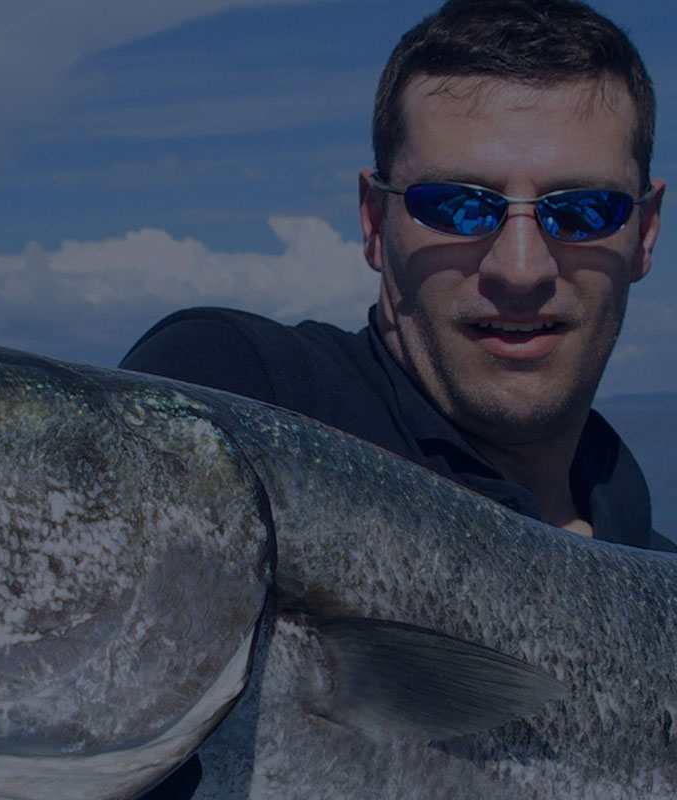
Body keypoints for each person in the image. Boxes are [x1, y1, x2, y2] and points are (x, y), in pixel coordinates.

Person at [123, 0, 671, 796]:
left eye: (584, 210)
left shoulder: (655, 573)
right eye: (458, 204)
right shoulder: (233, 400)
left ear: (645, 233)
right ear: (376, 221)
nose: (521, 268)